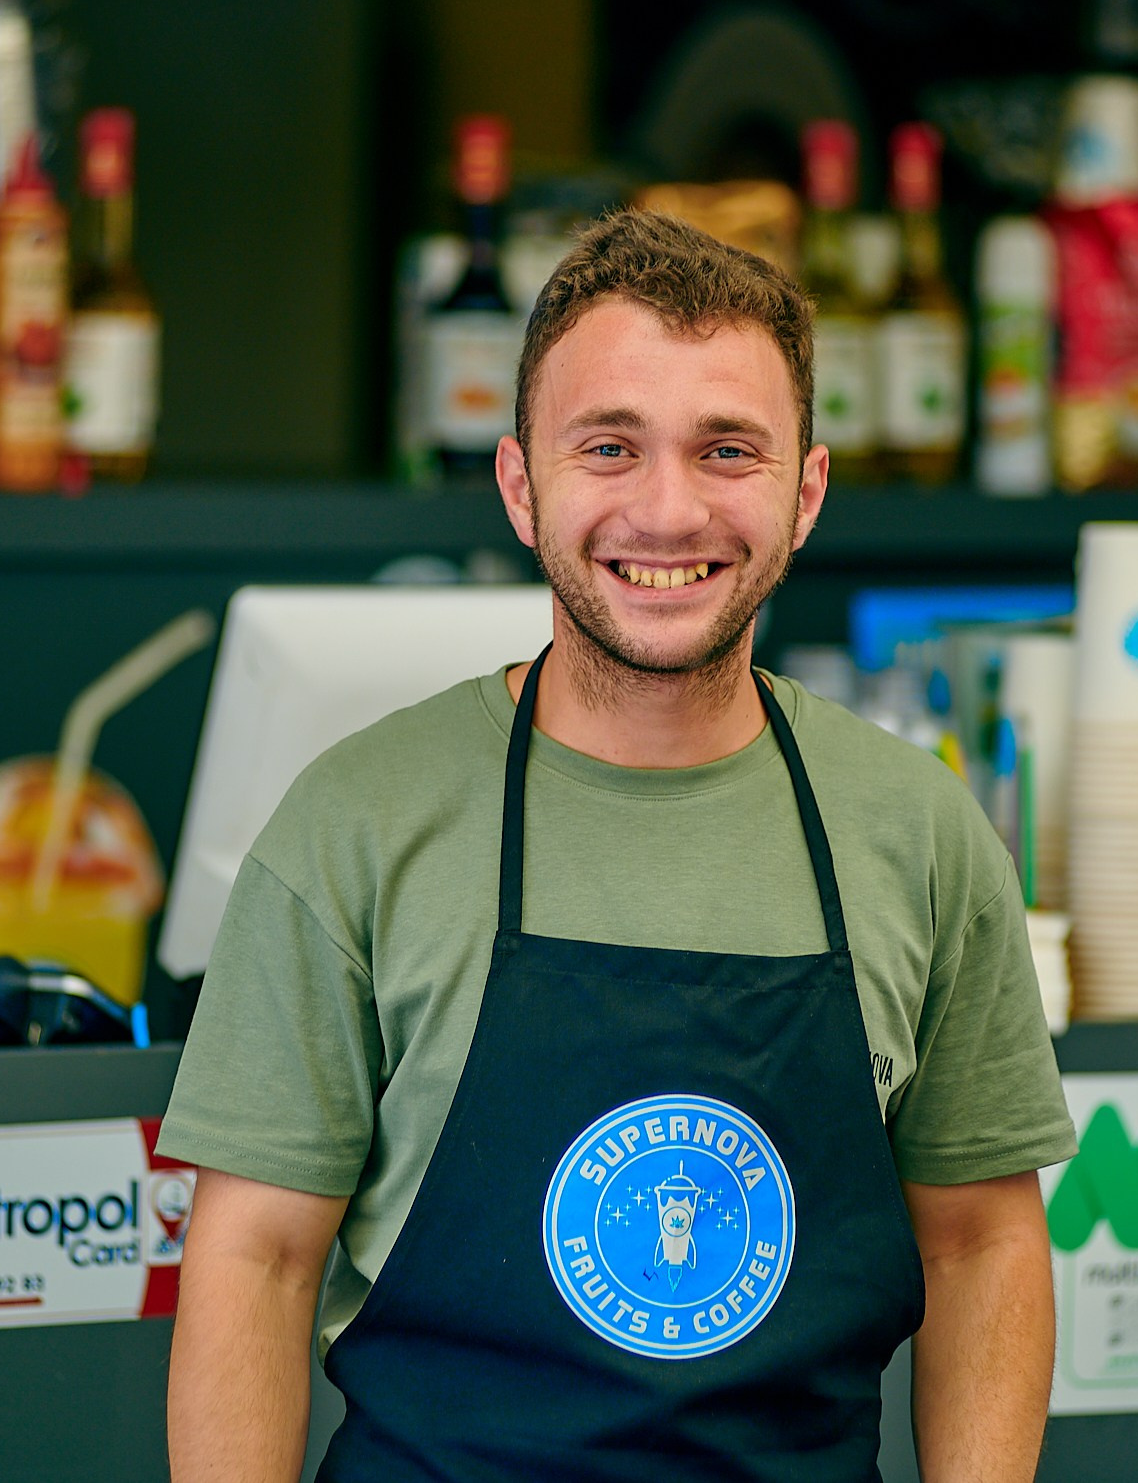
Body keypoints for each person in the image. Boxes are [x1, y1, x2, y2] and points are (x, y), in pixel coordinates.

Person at [162, 208, 1077, 1481]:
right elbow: (253, 1260)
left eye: (727, 450)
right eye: (608, 446)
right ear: (519, 484)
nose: (666, 508)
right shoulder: (357, 827)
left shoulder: (917, 830)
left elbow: (980, 1240)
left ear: (803, 493)